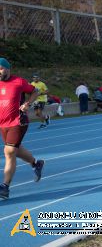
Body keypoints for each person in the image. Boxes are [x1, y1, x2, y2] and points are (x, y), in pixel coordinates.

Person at [0, 58, 45, 199]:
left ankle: (5, 187)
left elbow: (35, 91)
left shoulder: (18, 82)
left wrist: (28, 104)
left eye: (1, 68)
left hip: (18, 121)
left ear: (8, 69)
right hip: (3, 123)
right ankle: (36, 164)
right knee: (15, 150)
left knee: (9, 151)